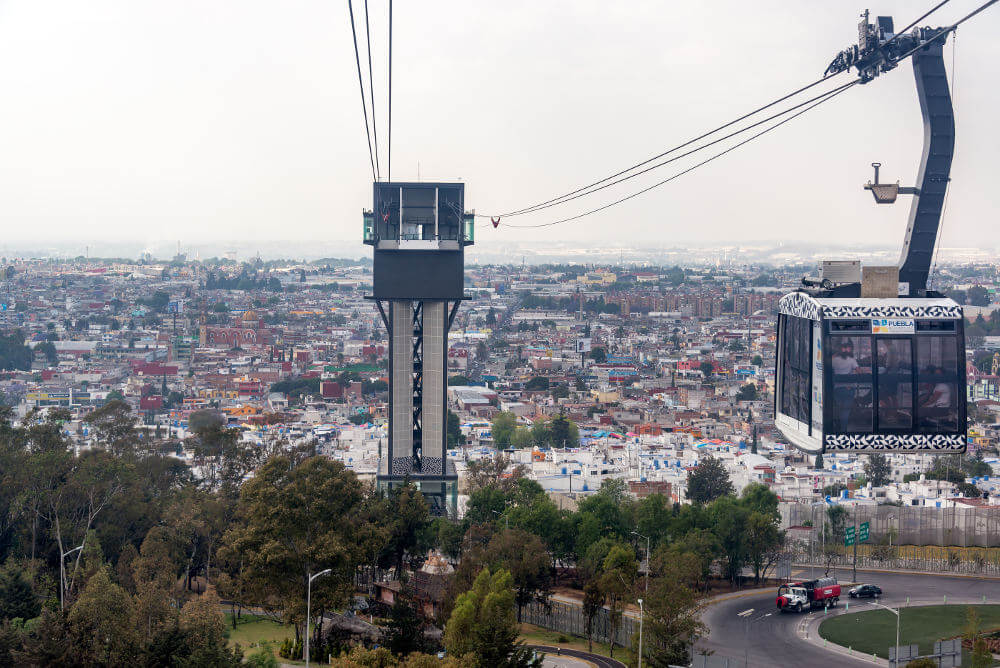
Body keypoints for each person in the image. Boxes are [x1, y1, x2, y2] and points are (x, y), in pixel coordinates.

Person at [832, 340, 860, 430]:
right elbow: (859, 371)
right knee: (846, 411)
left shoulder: (834, 360)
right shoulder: (852, 360)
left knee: (839, 410)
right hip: (848, 388)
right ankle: (843, 430)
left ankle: (838, 427)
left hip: (837, 389)